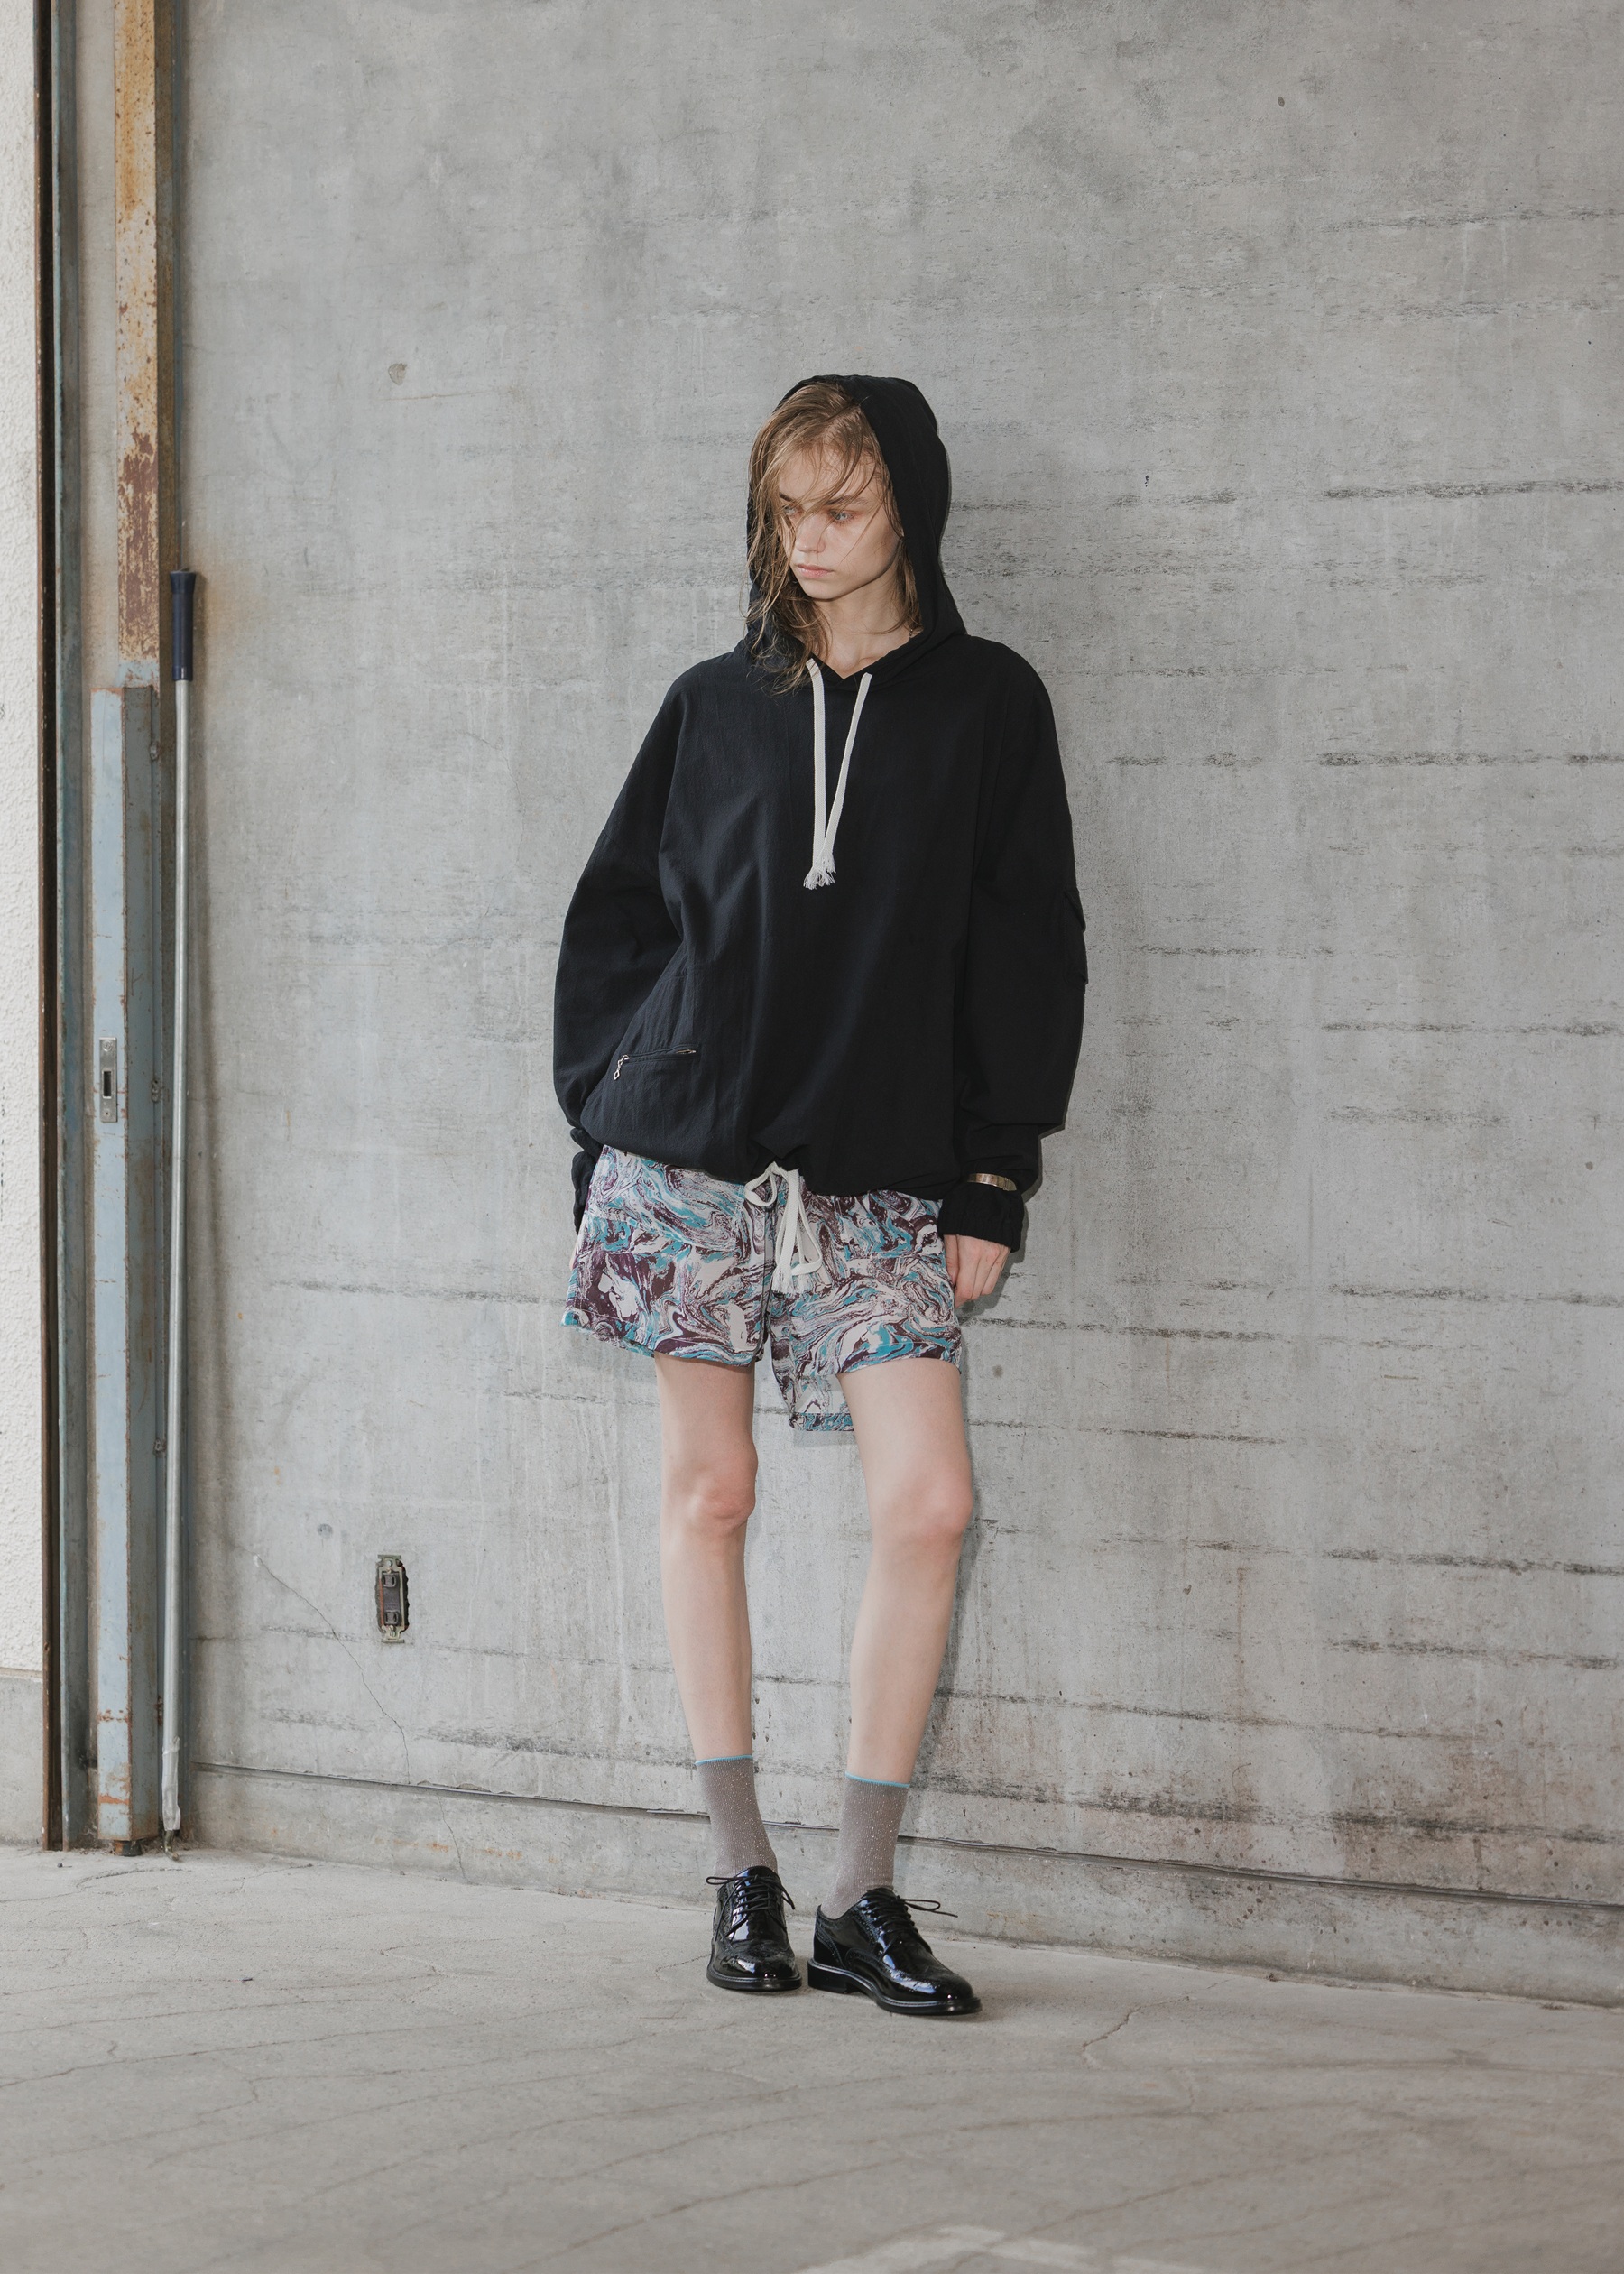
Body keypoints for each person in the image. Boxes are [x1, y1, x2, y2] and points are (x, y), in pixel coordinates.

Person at [554, 374, 1085, 2017]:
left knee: (929, 1504)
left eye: (839, 507)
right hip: (688, 1161)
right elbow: (619, 919)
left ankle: (860, 1896)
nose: (807, 539)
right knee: (710, 1494)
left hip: (882, 1176)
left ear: (907, 505)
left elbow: (1027, 945)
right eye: (784, 510)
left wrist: (993, 1173)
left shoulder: (988, 704)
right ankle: (742, 1876)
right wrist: (601, 1121)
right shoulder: (714, 705)